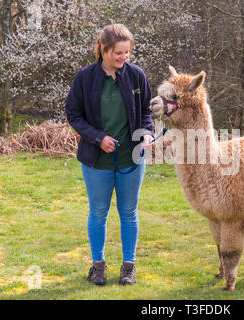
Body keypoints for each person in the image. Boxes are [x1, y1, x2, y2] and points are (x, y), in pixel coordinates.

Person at [65, 24, 154, 286]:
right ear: (103, 50)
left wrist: (147, 133)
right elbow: (74, 114)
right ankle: (98, 266)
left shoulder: (137, 76)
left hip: (131, 160)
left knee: (129, 213)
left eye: (127, 53)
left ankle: (129, 266)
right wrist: (97, 137)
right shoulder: (84, 78)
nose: (124, 58)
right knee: (98, 213)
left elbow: (146, 111)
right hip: (97, 161)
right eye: (118, 53)